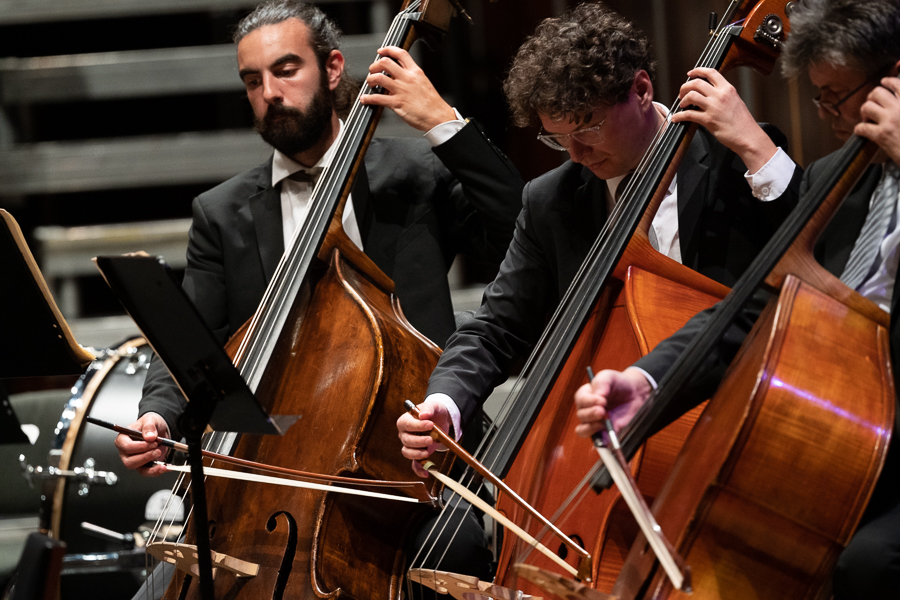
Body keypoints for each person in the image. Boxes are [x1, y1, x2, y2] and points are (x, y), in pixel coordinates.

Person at [113, 1, 521, 595]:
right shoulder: (222, 213)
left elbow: (521, 234)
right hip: (272, 466)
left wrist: (444, 125)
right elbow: (189, 343)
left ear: (332, 69)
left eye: (286, 70)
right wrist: (158, 414)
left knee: (452, 551)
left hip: (411, 460)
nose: (269, 93)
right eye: (252, 81)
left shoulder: (417, 174)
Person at [573, 0, 900, 597]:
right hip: (838, 436)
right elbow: (757, 308)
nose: (827, 115)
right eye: (818, 97)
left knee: (869, 563)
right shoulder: (838, 176)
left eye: (837, 96)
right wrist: (649, 382)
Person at [397, 2, 799, 474]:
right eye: (556, 137)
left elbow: (815, 261)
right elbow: (496, 327)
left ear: (641, 90)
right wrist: (446, 400)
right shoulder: (551, 200)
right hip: (611, 442)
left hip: (739, 415)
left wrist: (755, 147)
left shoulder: (738, 159)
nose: (575, 154)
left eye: (587, 127)